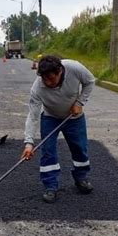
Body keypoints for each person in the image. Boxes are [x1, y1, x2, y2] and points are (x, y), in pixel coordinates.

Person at [21, 55, 96, 203]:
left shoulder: (74, 68)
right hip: (50, 118)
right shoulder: (37, 89)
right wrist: (29, 143)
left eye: (51, 78)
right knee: (48, 151)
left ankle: (81, 178)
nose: (48, 82)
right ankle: (50, 186)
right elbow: (33, 116)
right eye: (44, 79)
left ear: (60, 71)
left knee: (79, 148)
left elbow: (90, 82)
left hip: (74, 118)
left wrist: (80, 102)